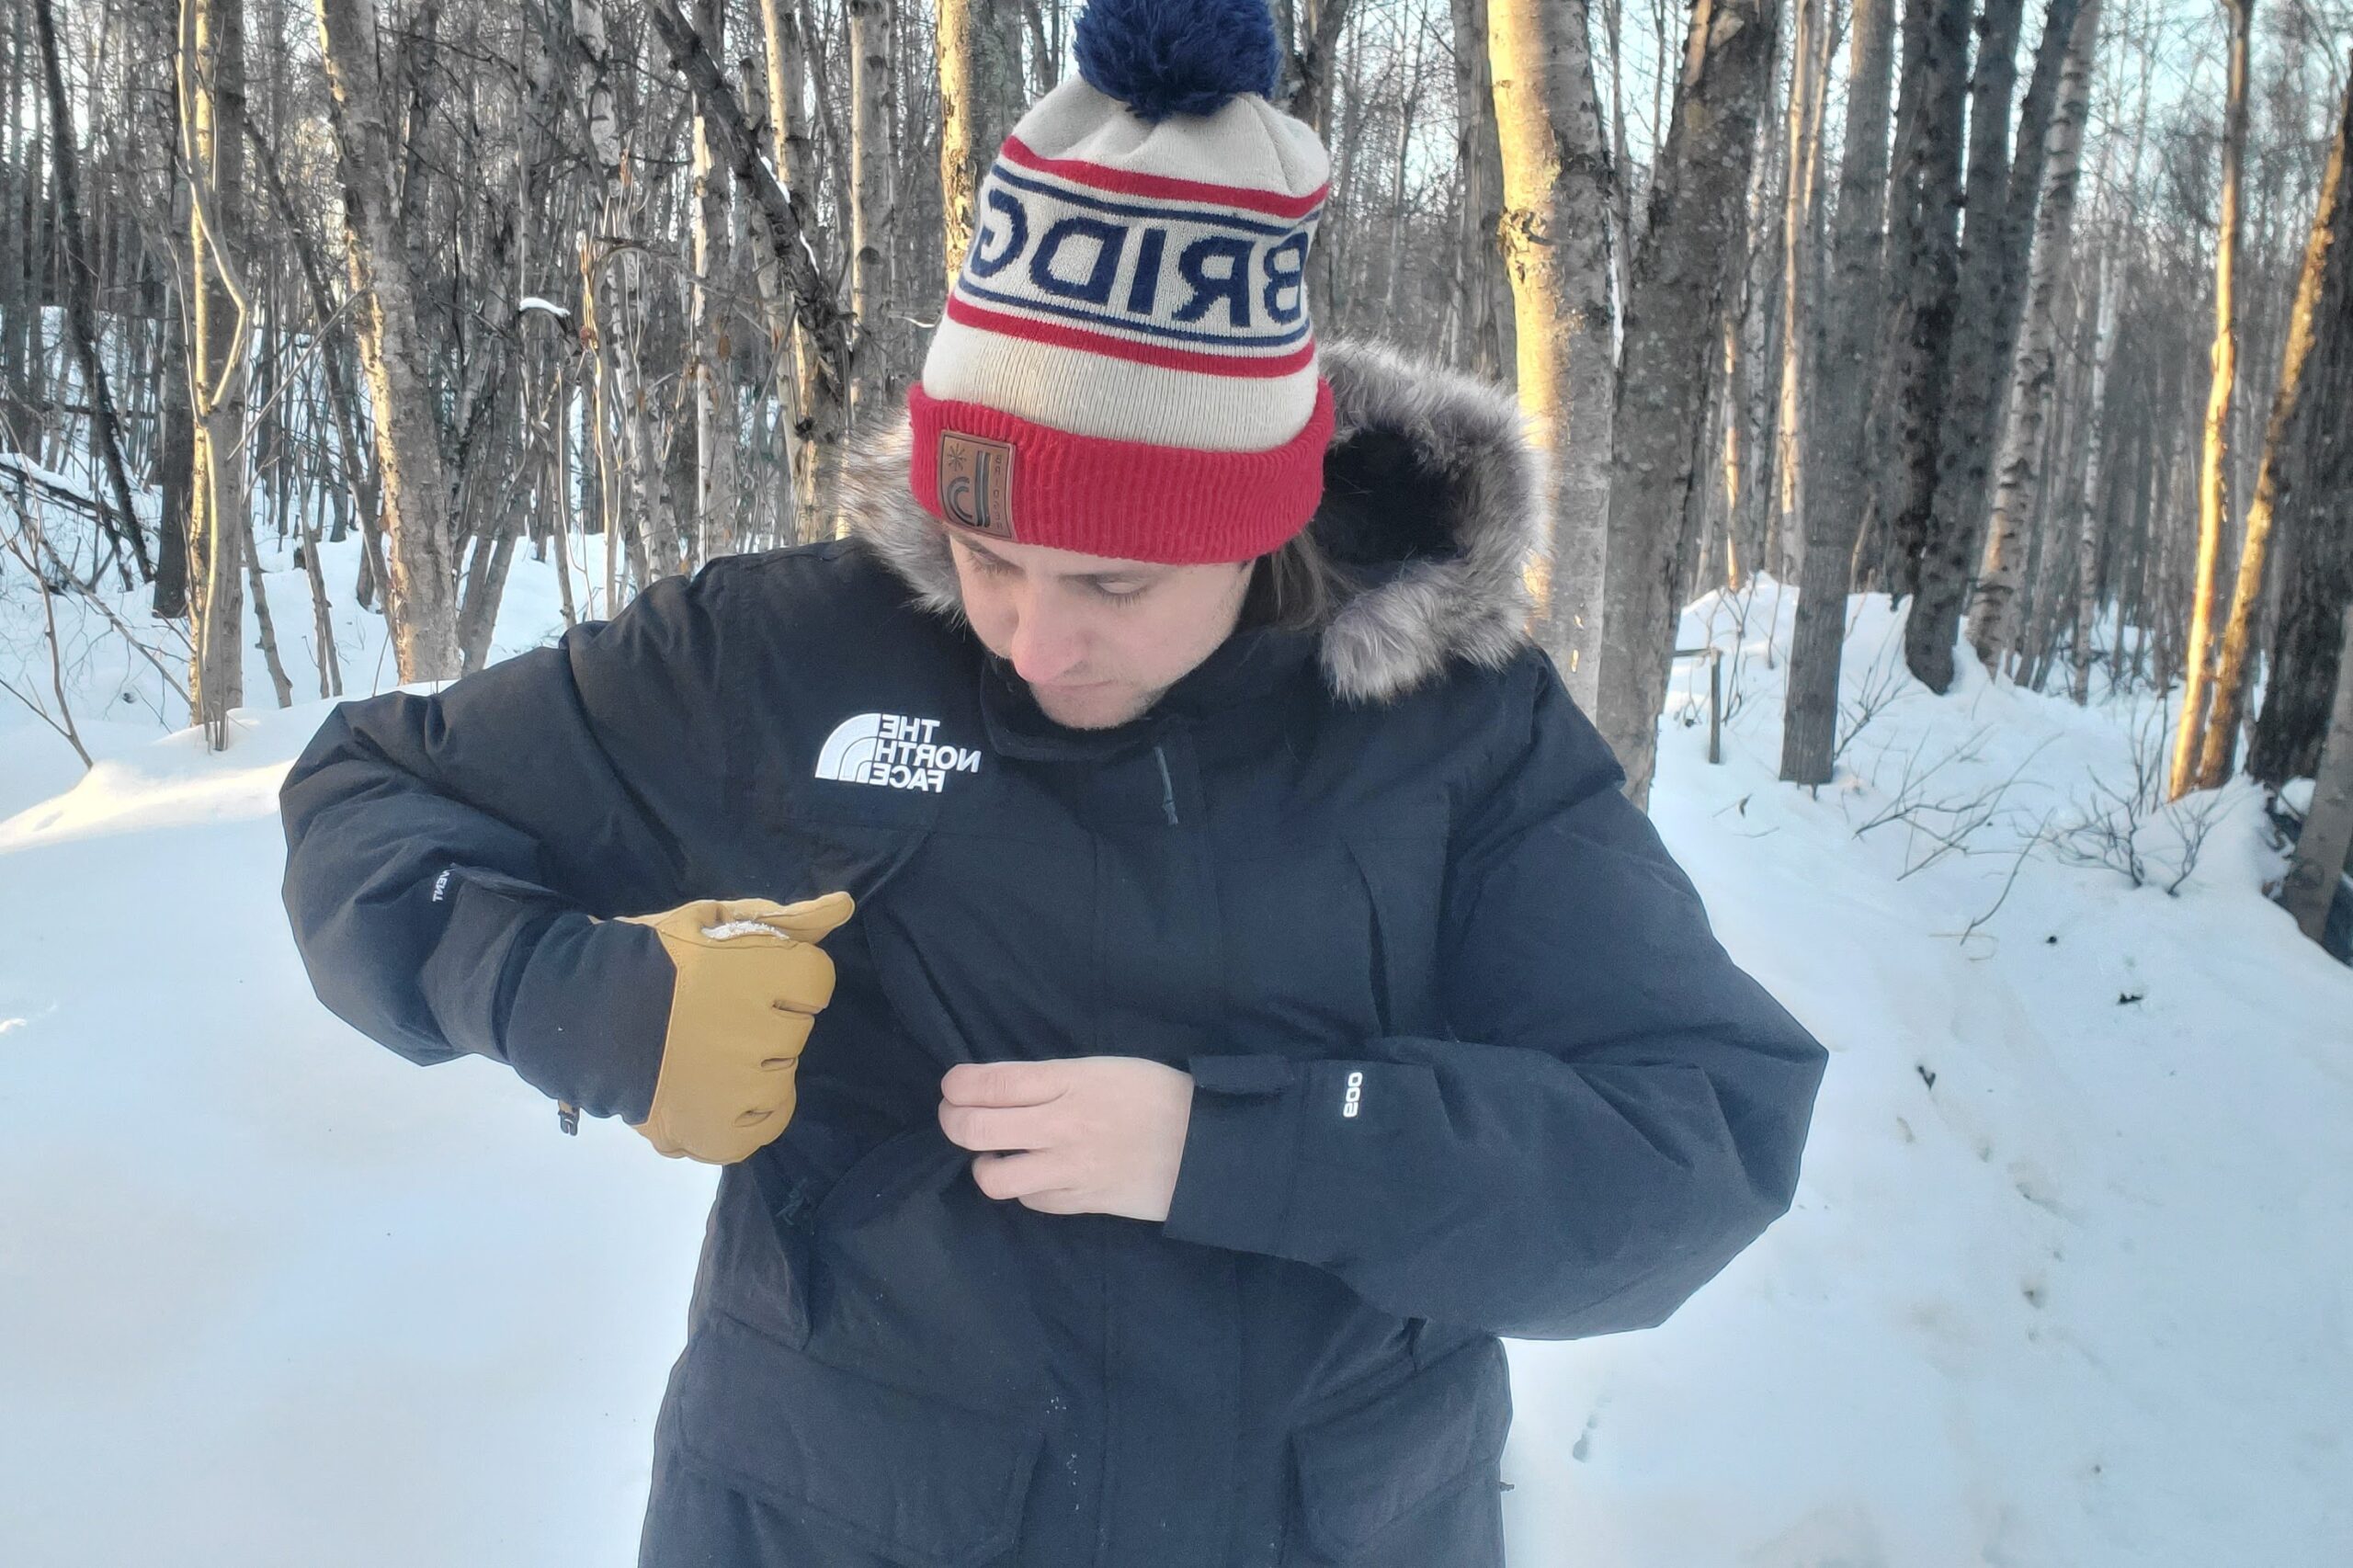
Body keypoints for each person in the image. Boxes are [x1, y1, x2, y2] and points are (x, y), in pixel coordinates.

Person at [278, 3, 1828, 1562]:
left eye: (1115, 582)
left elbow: (1697, 1135)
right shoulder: (795, 653)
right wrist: (586, 1003)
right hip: (844, 1513)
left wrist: (1235, 1146)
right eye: (989, 554)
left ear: (1261, 519)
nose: (1032, 640)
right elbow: (364, 803)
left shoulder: (1452, 729)